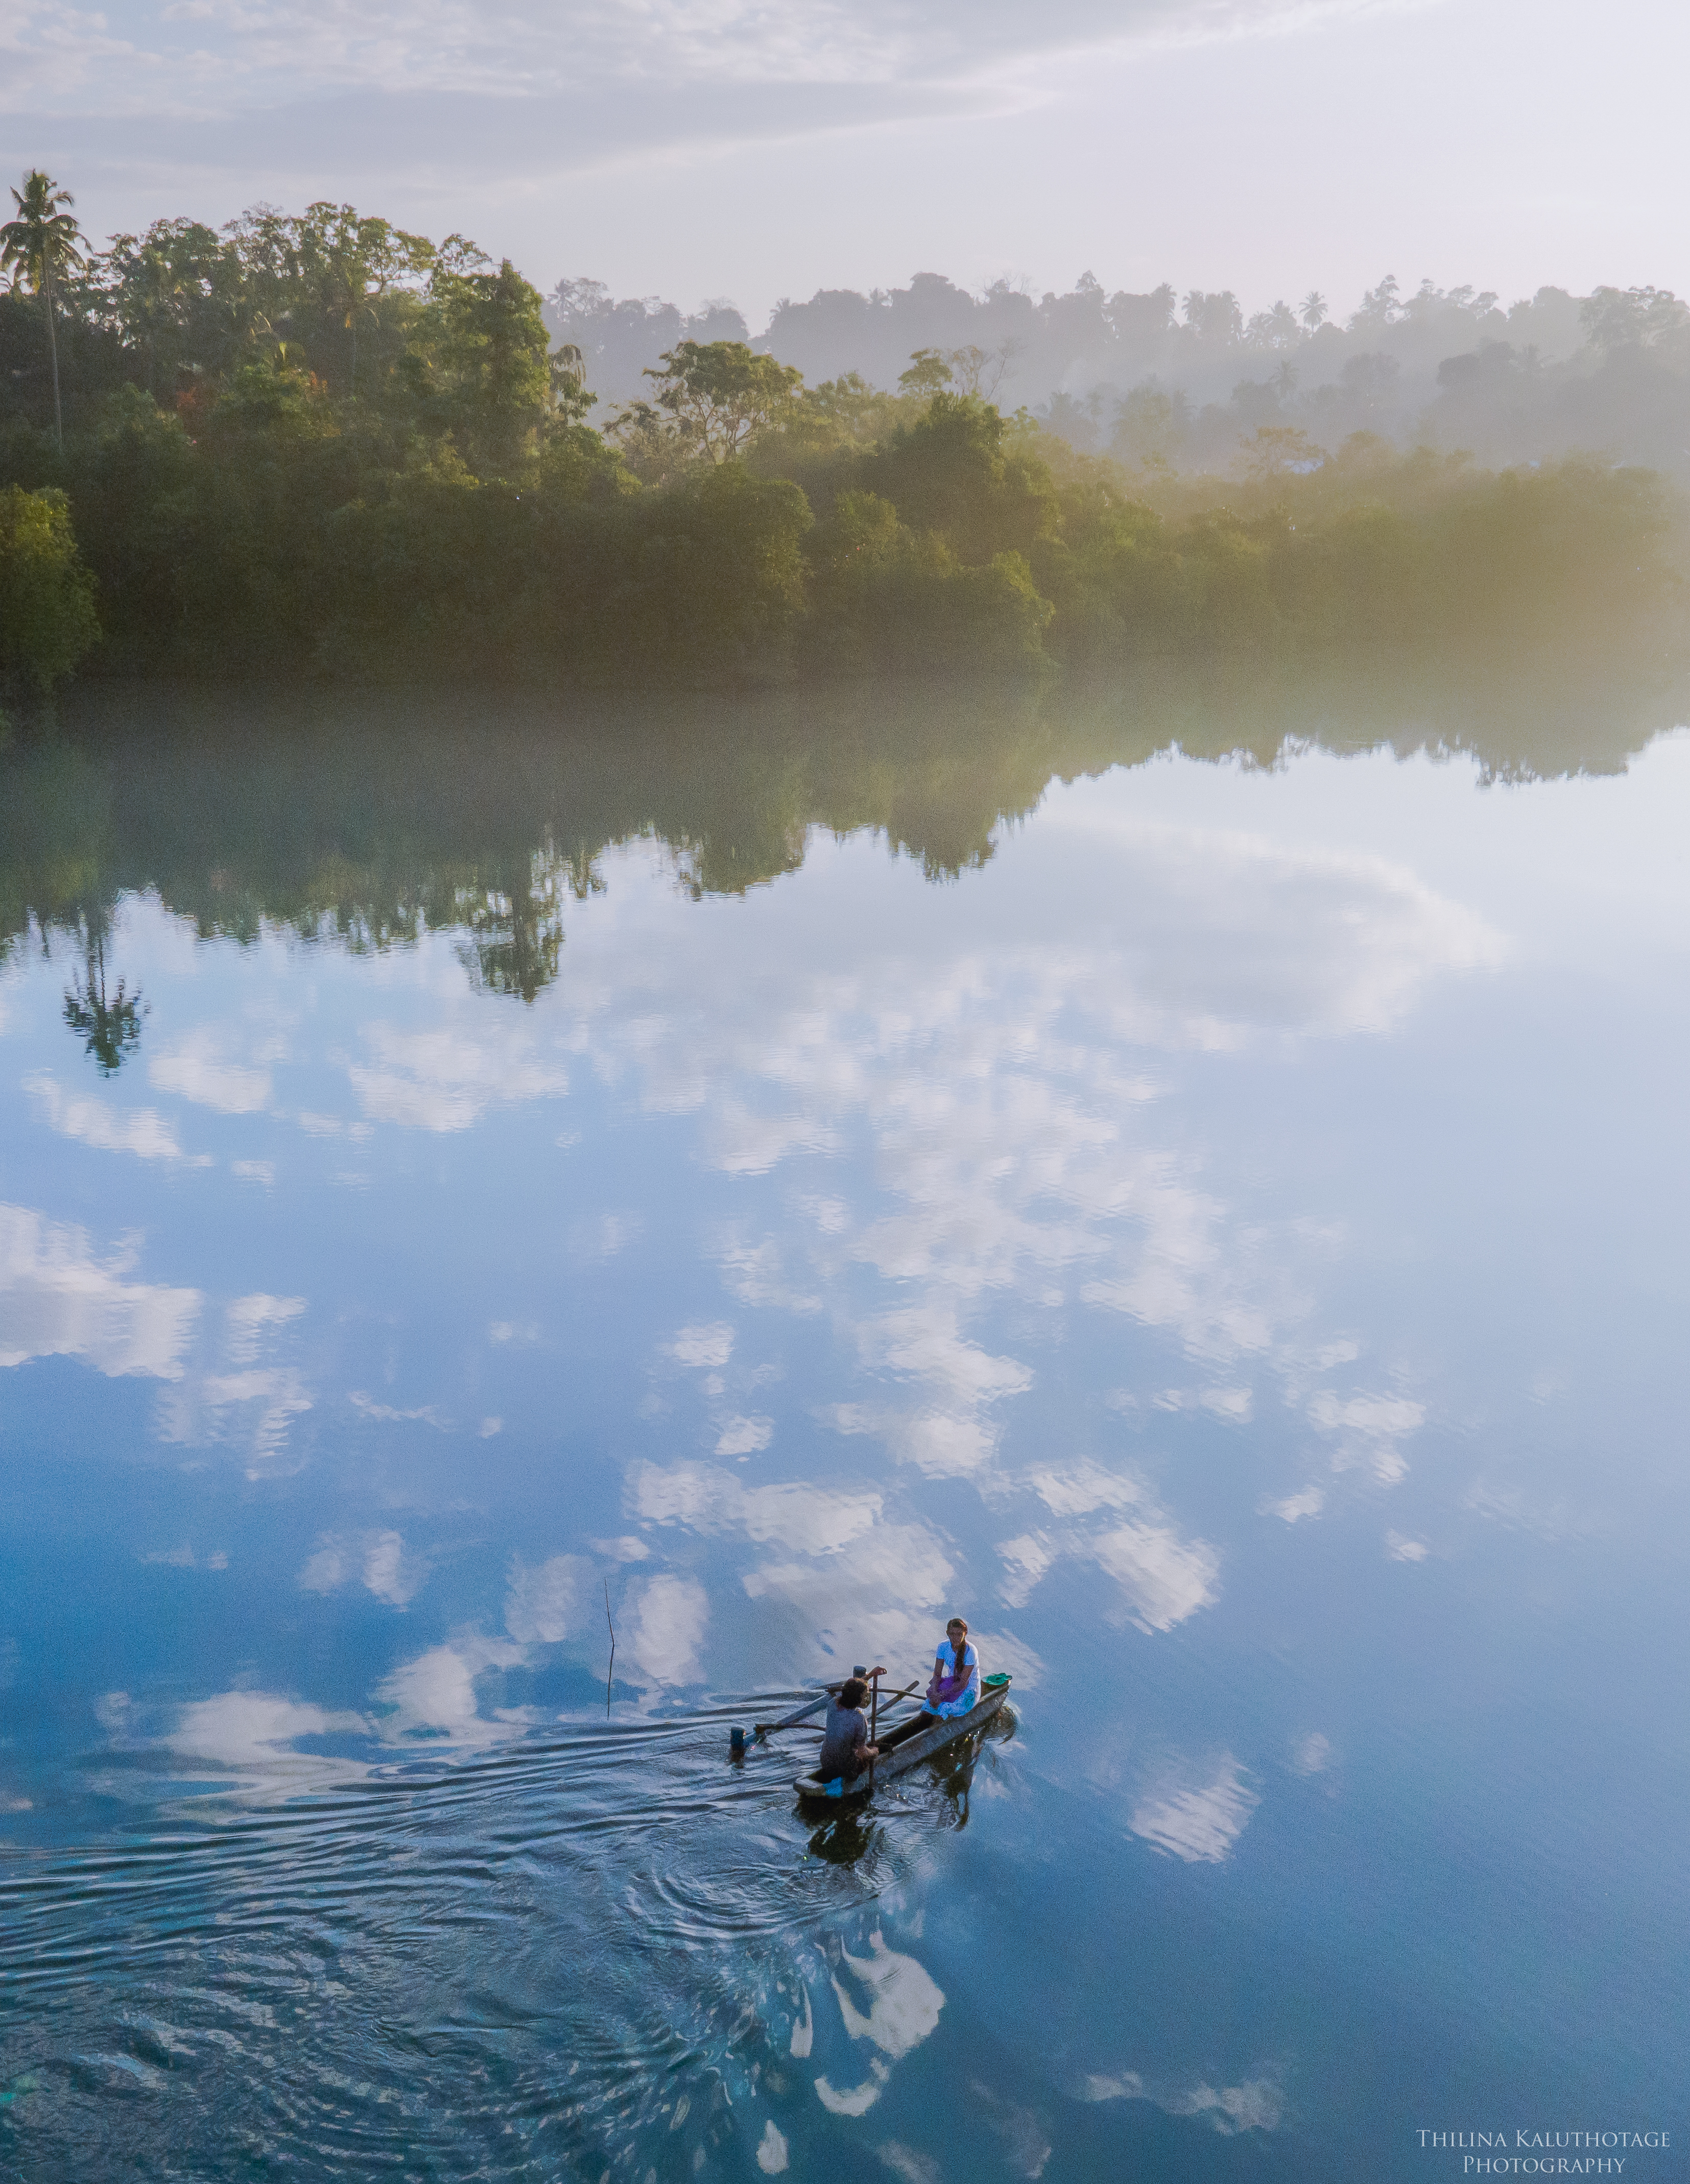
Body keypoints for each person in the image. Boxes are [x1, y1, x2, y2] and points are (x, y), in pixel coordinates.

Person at [816, 1673, 883, 1786]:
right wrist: (874, 1753)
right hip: (845, 1769)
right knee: (869, 1754)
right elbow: (862, 1753)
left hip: (826, 1762)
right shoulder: (858, 1719)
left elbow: (850, 1686)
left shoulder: (833, 1703)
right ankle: (854, 1782)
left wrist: (871, 1675)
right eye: (865, 1694)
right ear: (860, 1698)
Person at [920, 1618, 980, 1722]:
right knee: (927, 1707)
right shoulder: (943, 1647)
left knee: (943, 1709)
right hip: (953, 1682)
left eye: (959, 1634)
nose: (955, 1638)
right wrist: (934, 1692)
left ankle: (938, 1725)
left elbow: (963, 1683)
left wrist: (942, 1695)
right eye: (952, 1634)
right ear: (947, 1633)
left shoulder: (971, 1651)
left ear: (965, 1633)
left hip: (968, 1687)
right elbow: (937, 1675)